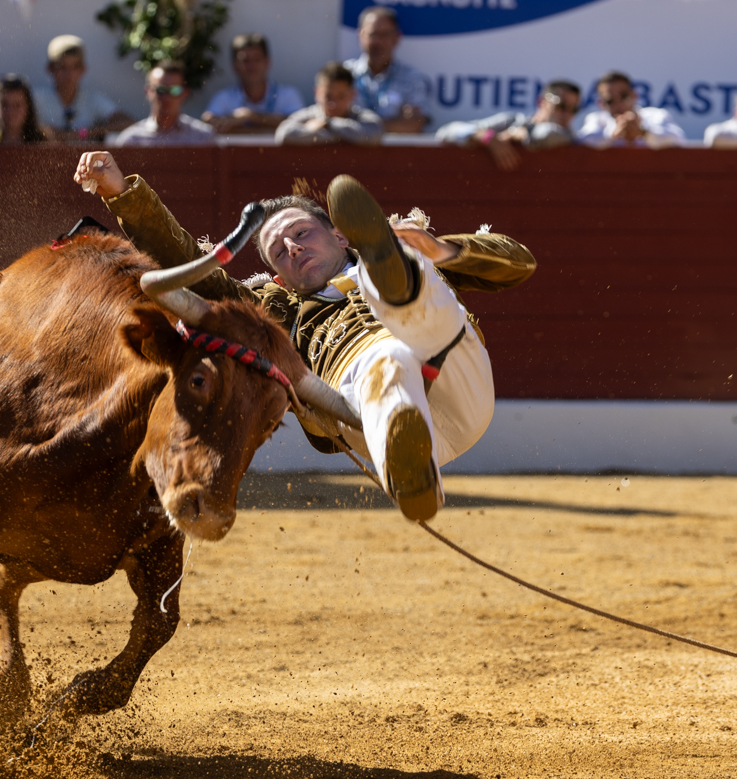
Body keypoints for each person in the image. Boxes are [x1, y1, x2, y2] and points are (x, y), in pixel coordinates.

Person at [74, 152, 536, 522]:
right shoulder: (269, 308)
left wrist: (440, 250)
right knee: (387, 359)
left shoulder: (406, 243)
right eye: (279, 251)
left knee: (397, 271)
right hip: (361, 413)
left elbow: (520, 263)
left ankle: (395, 282)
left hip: (455, 376)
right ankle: (410, 469)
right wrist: (122, 193)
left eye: (301, 233)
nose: (293, 247)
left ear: (339, 233)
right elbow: (187, 265)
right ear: (276, 278)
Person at [436, 79, 580, 170]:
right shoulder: (511, 121)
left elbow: (546, 134)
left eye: (574, 109)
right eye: (561, 106)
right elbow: (445, 132)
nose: (567, 114)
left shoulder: (568, 135)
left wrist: (519, 135)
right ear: (542, 102)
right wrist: (486, 137)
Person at [343, 6, 431, 133]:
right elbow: (330, 118)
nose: (378, 42)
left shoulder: (413, 78)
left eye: (384, 35)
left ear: (396, 38)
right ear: (360, 35)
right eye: (372, 34)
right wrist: (395, 123)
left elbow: (414, 125)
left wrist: (355, 128)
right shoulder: (344, 73)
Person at [33, 35, 130, 141]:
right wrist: (40, 131)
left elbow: (127, 123)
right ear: (50, 68)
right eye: (62, 67)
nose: (68, 74)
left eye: (74, 67)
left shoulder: (92, 99)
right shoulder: (36, 99)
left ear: (83, 69)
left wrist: (80, 133)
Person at [202, 33, 304, 134]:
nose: (252, 66)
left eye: (257, 59)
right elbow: (208, 122)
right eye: (245, 60)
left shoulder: (288, 95)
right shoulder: (223, 97)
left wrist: (249, 116)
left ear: (267, 62)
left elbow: (300, 124)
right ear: (234, 65)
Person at [105, 61, 214, 147]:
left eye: (174, 90)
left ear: (185, 93)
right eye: (161, 90)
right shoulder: (131, 139)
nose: (167, 96)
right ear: (148, 92)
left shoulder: (203, 137)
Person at [276, 62, 383, 146]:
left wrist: (327, 124)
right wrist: (348, 134)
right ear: (316, 93)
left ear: (352, 95)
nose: (333, 103)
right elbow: (283, 135)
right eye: (328, 96)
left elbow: (375, 134)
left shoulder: (362, 116)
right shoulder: (308, 115)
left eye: (341, 96)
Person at [576, 71, 686, 148]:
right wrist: (613, 133)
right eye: (610, 100)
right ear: (601, 104)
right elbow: (583, 140)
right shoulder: (596, 119)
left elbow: (678, 139)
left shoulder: (656, 115)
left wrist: (643, 132)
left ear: (634, 95)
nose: (619, 104)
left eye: (624, 96)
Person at [0, 74, 49, 148]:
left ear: (28, 107)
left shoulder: (43, 143)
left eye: (17, 105)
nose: (10, 111)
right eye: (4, 105)